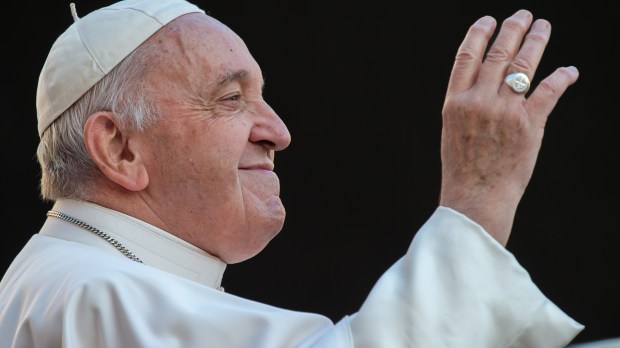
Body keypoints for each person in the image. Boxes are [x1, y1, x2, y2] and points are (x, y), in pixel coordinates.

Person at [0, 0, 584, 346]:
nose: (278, 132)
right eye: (230, 99)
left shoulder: (58, 277)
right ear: (120, 147)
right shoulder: (93, 293)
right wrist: (478, 197)